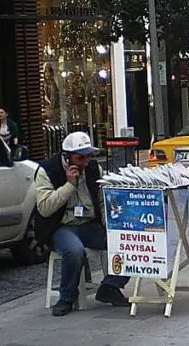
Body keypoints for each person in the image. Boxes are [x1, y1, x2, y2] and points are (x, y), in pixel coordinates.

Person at [34, 131, 129, 317]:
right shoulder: (47, 171)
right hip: (61, 226)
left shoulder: (94, 168)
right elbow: (44, 208)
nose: (85, 161)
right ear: (67, 157)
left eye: (89, 156)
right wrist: (68, 185)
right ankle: (67, 298)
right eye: (80, 157)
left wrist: (111, 224)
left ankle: (110, 286)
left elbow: (102, 198)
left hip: (89, 223)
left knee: (128, 242)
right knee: (74, 251)